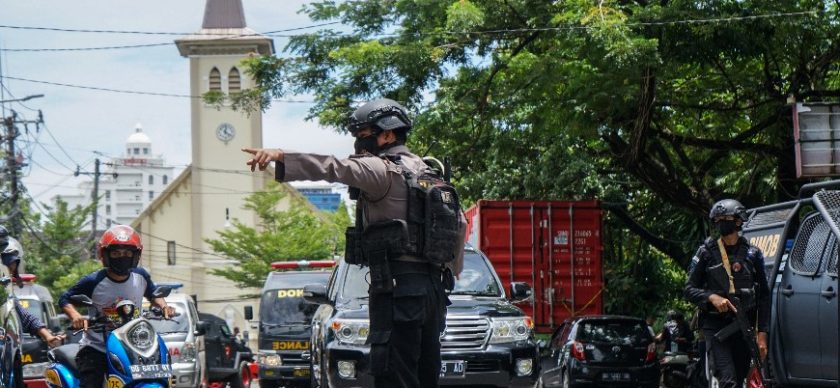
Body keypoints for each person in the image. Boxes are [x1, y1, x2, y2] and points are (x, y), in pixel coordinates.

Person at [243, 98, 466, 388]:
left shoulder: (380, 169)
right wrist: (446, 271)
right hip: (434, 293)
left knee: (395, 376)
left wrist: (281, 156)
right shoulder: (430, 173)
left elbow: (334, 167)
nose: (358, 143)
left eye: (363, 134)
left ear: (387, 134)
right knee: (426, 376)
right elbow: (459, 224)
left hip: (398, 291)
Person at [59, 225, 174, 388]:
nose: (122, 257)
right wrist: (76, 316)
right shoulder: (93, 281)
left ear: (136, 255)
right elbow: (65, 299)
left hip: (133, 346)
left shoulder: (141, 276)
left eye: (127, 253)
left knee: (159, 375)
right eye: (116, 253)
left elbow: (154, 294)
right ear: (105, 255)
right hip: (98, 347)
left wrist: (164, 307)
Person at [685, 199, 770, 388]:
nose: (721, 222)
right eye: (717, 219)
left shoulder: (753, 254)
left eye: (725, 218)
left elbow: (764, 296)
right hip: (715, 328)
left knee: (739, 380)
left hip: (743, 326)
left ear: (738, 220)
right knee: (728, 380)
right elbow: (689, 289)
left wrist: (762, 334)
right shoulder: (706, 252)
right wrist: (711, 297)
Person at [0, 235, 64, 347]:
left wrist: (48, 336)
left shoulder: (7, 296)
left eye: (11, 269)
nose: (8, 274)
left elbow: (25, 317)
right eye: (7, 268)